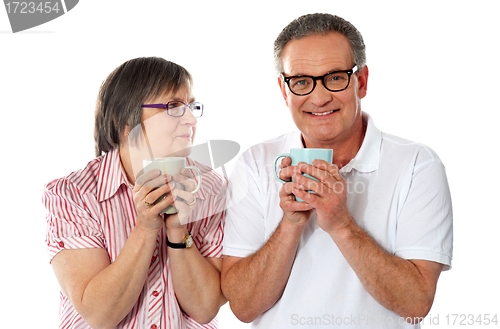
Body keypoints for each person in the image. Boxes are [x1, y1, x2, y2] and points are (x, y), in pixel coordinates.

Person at [221, 13, 453, 328]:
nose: (319, 97)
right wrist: (290, 224)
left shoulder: (417, 165)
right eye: (301, 81)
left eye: (335, 77)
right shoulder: (254, 163)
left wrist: (342, 225)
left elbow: (416, 304)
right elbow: (243, 307)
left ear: (361, 81)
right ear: (283, 90)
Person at [43, 57, 227, 329]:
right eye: (173, 107)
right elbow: (99, 314)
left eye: (190, 106)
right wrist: (145, 227)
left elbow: (204, 308)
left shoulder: (211, 187)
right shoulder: (71, 194)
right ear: (125, 121)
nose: (190, 119)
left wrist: (178, 229)